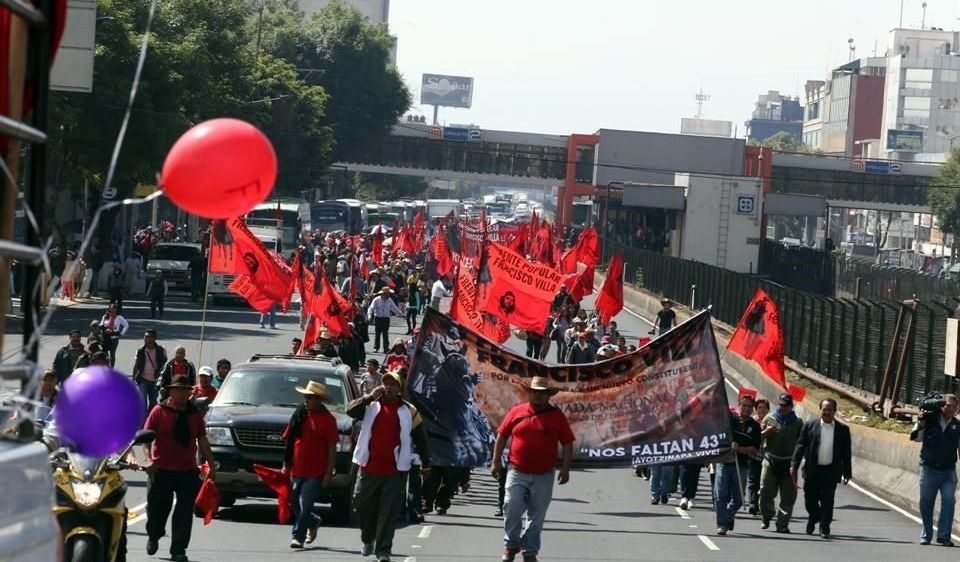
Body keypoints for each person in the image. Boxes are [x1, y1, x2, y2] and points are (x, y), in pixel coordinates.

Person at [347, 370, 431, 562]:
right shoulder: (371, 405)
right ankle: (368, 538)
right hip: (368, 468)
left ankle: (383, 550)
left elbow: (421, 438)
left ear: (399, 388)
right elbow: (350, 410)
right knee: (360, 503)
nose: (389, 387)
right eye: (386, 383)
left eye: (393, 384)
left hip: (395, 471)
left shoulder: (408, 410)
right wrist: (368, 397)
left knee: (388, 513)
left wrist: (426, 464)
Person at [492, 376, 573, 562]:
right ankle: (511, 545)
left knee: (536, 516)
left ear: (548, 396)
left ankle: (530, 552)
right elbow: (502, 435)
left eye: (542, 393)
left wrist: (566, 468)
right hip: (517, 470)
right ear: (529, 393)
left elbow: (567, 442)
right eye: (534, 392)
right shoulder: (517, 411)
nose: (537, 396)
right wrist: (495, 461)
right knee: (511, 508)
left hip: (544, 474)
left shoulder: (557, 416)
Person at [142, 375, 215, 562]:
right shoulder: (159, 411)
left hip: (187, 471)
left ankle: (178, 550)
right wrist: (148, 459)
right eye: (177, 390)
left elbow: (203, 440)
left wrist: (212, 465)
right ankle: (154, 535)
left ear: (189, 392)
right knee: (157, 510)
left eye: (184, 390)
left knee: (184, 514)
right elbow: (146, 439)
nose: (181, 394)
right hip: (160, 471)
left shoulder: (195, 414)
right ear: (170, 391)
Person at [282, 381, 338, 549]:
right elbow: (290, 439)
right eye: (306, 397)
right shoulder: (299, 414)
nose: (307, 400)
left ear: (319, 400)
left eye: (311, 398)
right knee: (294, 502)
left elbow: (332, 447)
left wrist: (328, 472)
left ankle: (297, 536)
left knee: (306, 503)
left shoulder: (328, 420)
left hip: (316, 471)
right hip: (298, 468)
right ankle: (313, 521)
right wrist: (286, 463)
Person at [790, 398, 852, 539]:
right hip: (813, 470)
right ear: (820, 410)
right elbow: (800, 446)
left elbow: (846, 452)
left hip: (831, 471)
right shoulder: (810, 426)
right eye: (824, 409)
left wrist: (847, 472)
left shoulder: (842, 430)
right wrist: (794, 465)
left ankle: (825, 527)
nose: (827, 412)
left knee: (828, 501)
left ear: (834, 411)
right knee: (810, 500)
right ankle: (814, 517)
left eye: (830, 409)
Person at [910, 394, 960, 545]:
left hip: (948, 471)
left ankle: (944, 536)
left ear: (957, 409)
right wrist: (920, 422)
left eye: (953, 407)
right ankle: (926, 534)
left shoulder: (957, 426)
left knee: (948, 501)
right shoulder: (929, 420)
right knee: (926, 502)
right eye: (947, 406)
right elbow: (916, 438)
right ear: (941, 406)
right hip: (928, 469)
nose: (949, 409)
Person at [714, 395, 761, 535]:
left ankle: (729, 514)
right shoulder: (730, 420)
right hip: (724, 463)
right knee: (720, 495)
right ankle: (722, 524)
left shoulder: (755, 426)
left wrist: (739, 449)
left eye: (749, 406)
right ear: (739, 405)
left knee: (739, 498)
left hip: (741, 466)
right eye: (744, 405)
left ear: (752, 409)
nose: (746, 408)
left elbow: (754, 449)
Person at [759, 393, 804, 533]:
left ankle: (782, 524)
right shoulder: (769, 418)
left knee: (788, 497)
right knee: (765, 491)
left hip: (789, 464)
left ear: (791, 407)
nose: (782, 408)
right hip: (770, 461)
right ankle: (767, 516)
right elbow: (758, 438)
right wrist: (767, 431)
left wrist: (797, 463)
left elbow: (801, 443)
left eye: (786, 406)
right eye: (780, 405)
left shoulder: (797, 423)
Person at [132, 329, 168, 411]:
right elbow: (136, 365)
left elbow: (166, 366)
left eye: (150, 337)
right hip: (142, 379)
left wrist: (164, 382)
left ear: (155, 338)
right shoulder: (140, 351)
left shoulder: (161, 350)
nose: (147, 339)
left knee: (153, 403)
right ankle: (143, 422)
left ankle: (151, 420)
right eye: (146, 337)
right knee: (142, 402)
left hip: (155, 381)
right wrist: (133, 379)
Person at [747, 397, 770, 515]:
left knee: (764, 483)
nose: (762, 410)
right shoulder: (752, 422)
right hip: (753, 456)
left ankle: (762, 504)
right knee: (753, 481)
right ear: (755, 409)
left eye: (764, 408)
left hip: (767, 458)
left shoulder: (772, 422)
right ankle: (752, 503)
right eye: (759, 407)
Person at [367, 287, 404, 354]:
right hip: (378, 318)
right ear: (383, 294)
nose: (388, 295)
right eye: (387, 294)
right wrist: (369, 316)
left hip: (386, 319)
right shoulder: (376, 300)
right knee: (377, 333)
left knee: (385, 334)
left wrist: (401, 315)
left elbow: (394, 308)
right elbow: (371, 308)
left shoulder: (390, 300)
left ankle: (386, 348)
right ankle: (376, 347)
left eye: (389, 294)